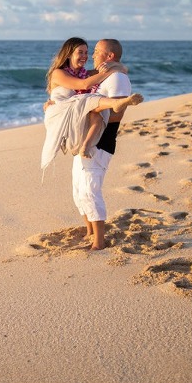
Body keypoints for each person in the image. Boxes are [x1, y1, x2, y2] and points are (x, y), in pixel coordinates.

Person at [71, 39, 143, 250]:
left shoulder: (118, 78)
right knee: (78, 190)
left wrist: (90, 111)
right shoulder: (107, 75)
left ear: (109, 56)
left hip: (101, 140)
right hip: (86, 139)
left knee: (90, 191)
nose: (92, 55)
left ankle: (99, 243)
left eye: (96, 51)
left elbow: (116, 113)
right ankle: (89, 232)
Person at [41, 37, 141, 174]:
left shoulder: (83, 74)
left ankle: (86, 145)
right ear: (69, 54)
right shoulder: (58, 73)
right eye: (80, 52)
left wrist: (117, 66)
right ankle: (115, 103)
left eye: (87, 52)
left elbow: (121, 68)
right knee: (91, 99)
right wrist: (111, 71)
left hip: (75, 111)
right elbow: (84, 85)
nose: (86, 56)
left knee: (97, 113)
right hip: (59, 112)